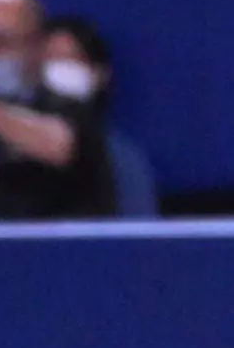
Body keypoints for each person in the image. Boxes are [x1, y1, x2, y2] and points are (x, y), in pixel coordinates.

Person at [0, 0, 118, 219]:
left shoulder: (66, 102)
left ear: (36, 44)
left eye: (5, 40)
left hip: (58, 251)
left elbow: (59, 145)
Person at [44, 15, 158, 216]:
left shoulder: (121, 161)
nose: (56, 71)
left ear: (100, 75)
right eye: (48, 60)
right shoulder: (5, 156)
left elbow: (137, 239)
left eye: (71, 59)